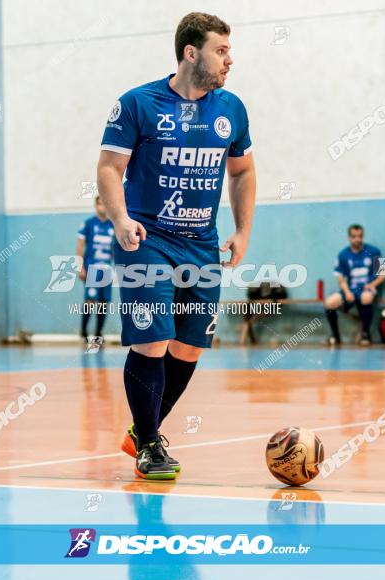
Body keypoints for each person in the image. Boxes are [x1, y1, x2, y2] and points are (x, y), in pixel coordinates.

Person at [97, 12, 255, 480]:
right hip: (147, 239)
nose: (230, 60)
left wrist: (243, 231)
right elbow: (109, 168)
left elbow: (242, 172)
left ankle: (143, 429)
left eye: (229, 50)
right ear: (191, 52)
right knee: (152, 341)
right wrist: (121, 218)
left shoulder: (231, 109)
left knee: (188, 348)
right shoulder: (137, 104)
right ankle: (149, 445)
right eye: (221, 50)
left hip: (201, 245)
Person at [324, 224, 385, 346]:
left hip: (367, 288)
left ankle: (365, 334)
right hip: (351, 289)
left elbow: (384, 274)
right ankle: (335, 335)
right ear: (349, 238)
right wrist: (347, 292)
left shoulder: (374, 251)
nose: (357, 239)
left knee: (366, 297)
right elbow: (341, 279)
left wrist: (373, 284)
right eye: (354, 236)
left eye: (360, 236)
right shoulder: (342, 254)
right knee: (329, 302)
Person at [77, 196, 115, 342]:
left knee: (104, 302)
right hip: (91, 268)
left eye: (105, 204)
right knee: (90, 300)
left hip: (106, 270)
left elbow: (114, 249)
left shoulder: (112, 225)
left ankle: (99, 333)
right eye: (100, 204)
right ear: (96, 205)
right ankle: (84, 331)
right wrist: (80, 267)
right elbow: (80, 246)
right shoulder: (88, 224)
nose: (102, 208)